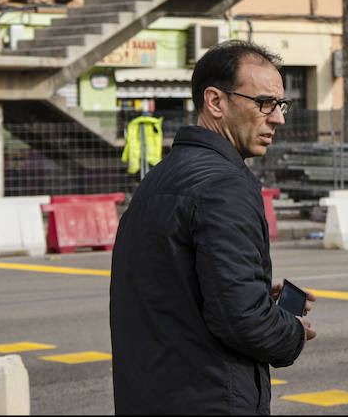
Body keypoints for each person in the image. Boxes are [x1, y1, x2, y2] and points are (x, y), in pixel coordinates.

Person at [110, 40, 317, 415]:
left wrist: (249, 289)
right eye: (264, 103)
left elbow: (171, 290)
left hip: (150, 395)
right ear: (216, 102)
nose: (278, 118)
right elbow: (242, 320)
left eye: (280, 105)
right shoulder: (225, 185)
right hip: (209, 398)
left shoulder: (161, 177)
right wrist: (293, 333)